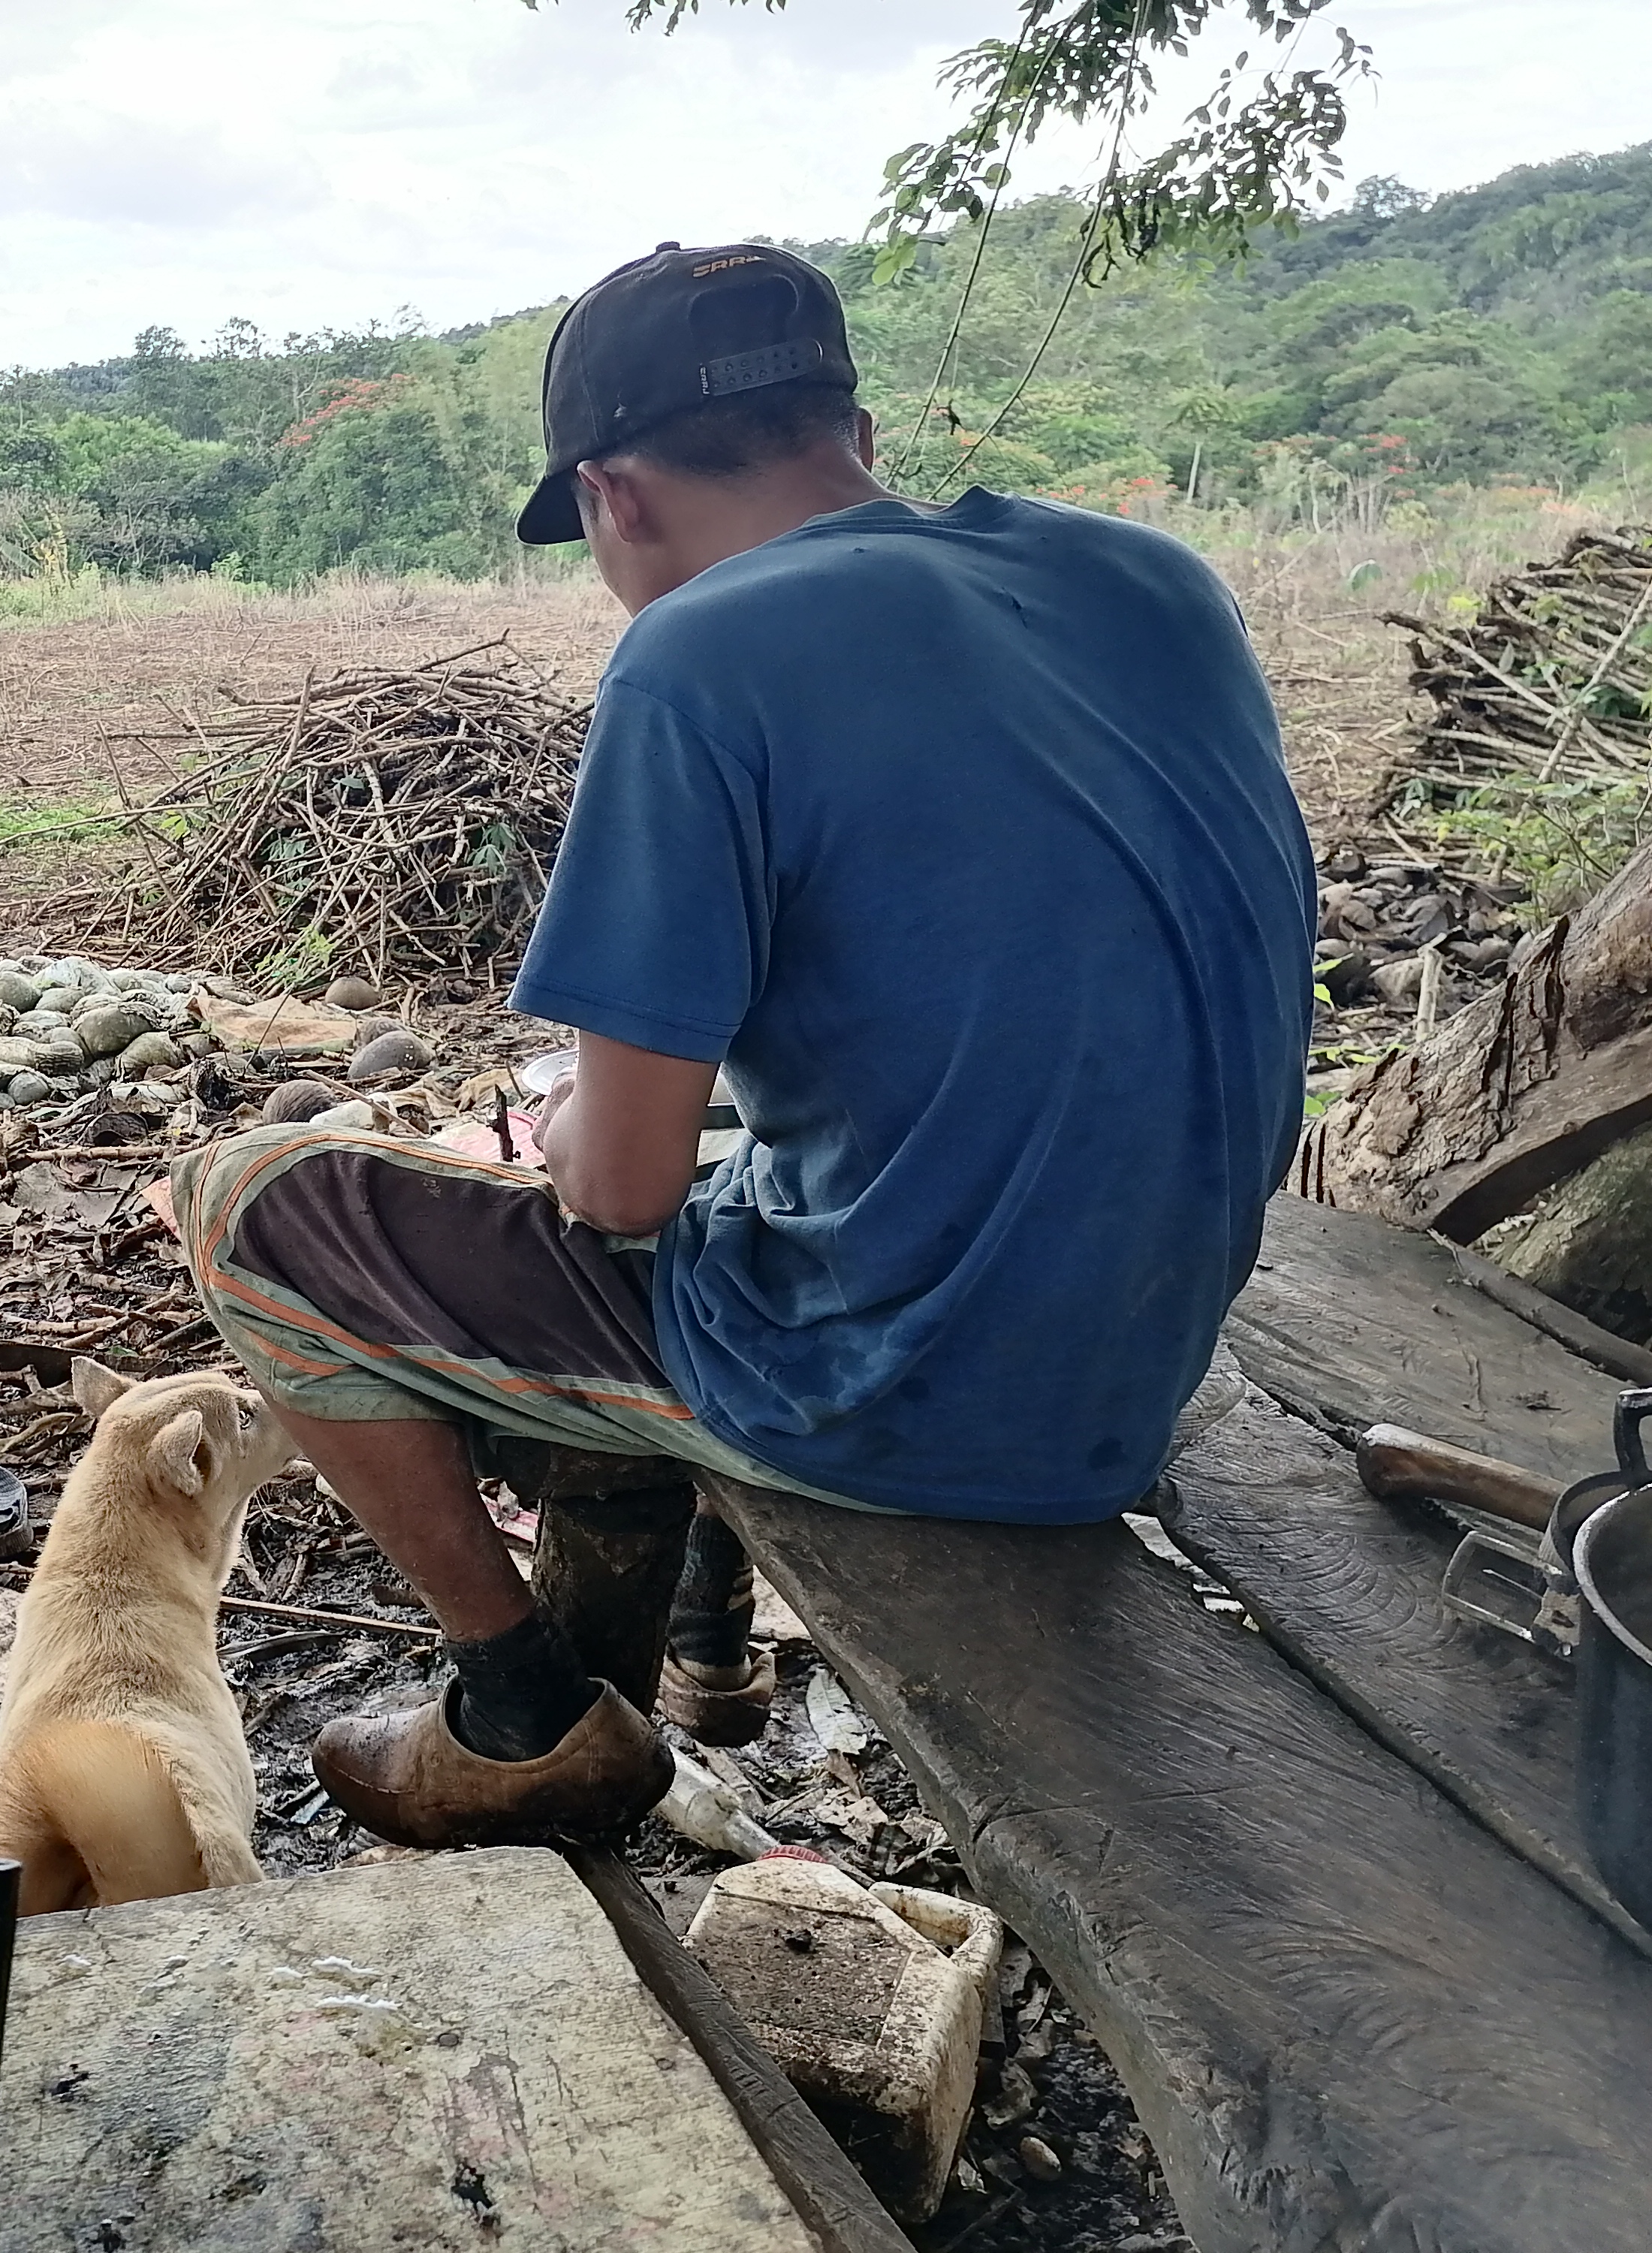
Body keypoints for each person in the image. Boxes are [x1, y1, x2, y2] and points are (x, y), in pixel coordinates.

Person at [176, 243, 1315, 1848]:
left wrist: (567, 1128)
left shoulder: (698, 651)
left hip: (916, 1395)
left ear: (610, 498)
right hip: (1145, 1349)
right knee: (760, 1151)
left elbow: (619, 1190)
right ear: (853, 430)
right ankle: (706, 1644)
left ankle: (518, 1717)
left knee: (249, 1201)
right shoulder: (1152, 577)